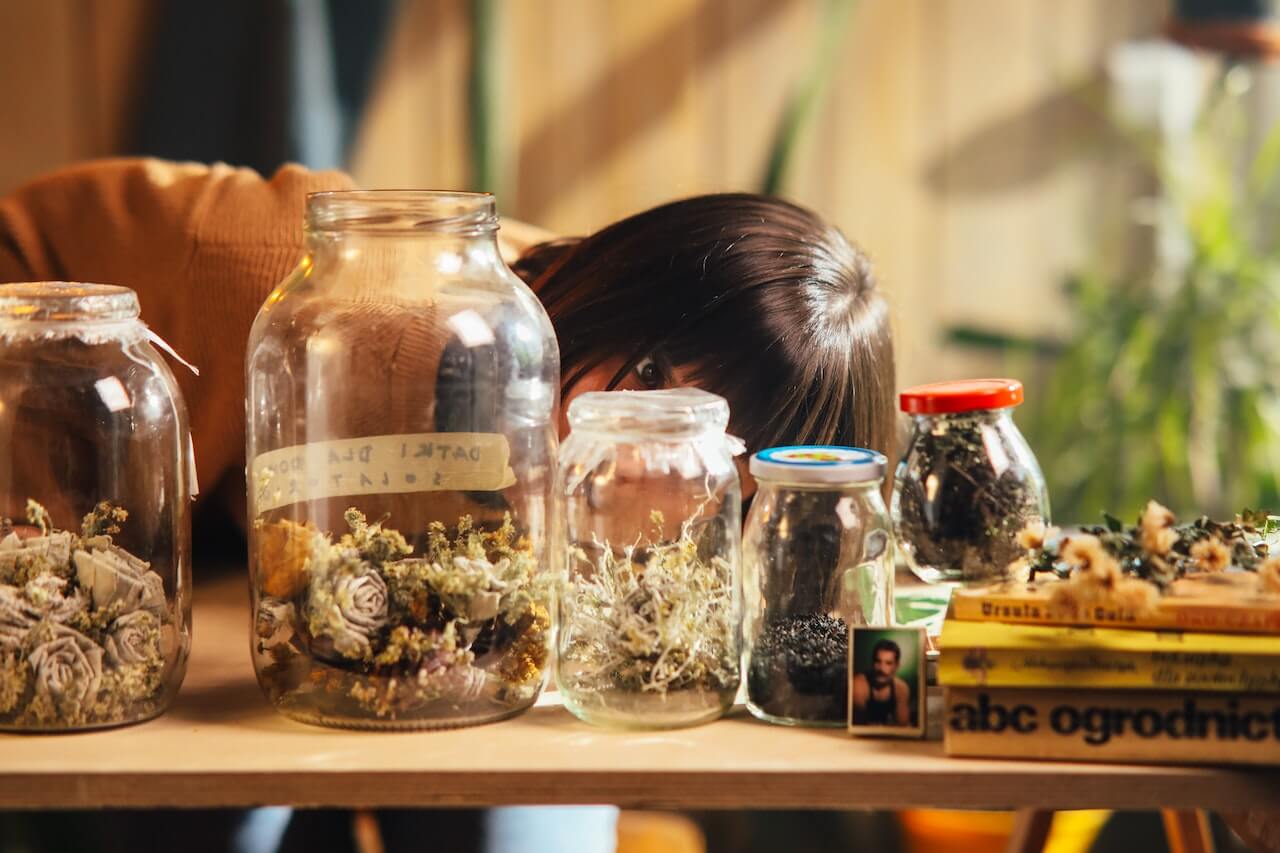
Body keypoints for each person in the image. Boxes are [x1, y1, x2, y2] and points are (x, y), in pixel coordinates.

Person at [0, 158, 896, 853]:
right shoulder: (320, 296)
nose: (638, 451)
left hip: (344, 606)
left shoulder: (669, 495)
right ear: (613, 276)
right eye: (652, 372)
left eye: (700, 438)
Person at [852, 638, 912, 727]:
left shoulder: (901, 689)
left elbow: (902, 725)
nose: (881, 668)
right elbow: (859, 725)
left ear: (896, 666)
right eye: (878, 661)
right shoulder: (859, 685)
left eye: (888, 663)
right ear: (872, 663)